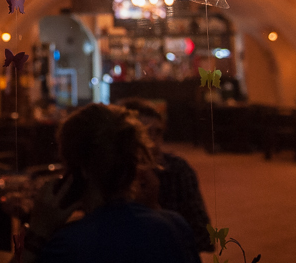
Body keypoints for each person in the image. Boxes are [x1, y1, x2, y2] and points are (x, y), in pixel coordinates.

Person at [18, 103, 198, 263]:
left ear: (76, 170)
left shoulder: (67, 245)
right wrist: (155, 211)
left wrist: (37, 234)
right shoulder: (176, 226)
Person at [120, 98, 213, 253]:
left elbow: (203, 237)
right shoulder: (115, 175)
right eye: (144, 134)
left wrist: (153, 210)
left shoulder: (177, 170)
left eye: (158, 132)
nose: (154, 143)